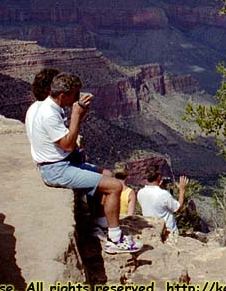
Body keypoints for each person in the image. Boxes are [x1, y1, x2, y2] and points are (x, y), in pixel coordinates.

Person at [25, 72, 142, 254]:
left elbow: (66, 138)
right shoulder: (49, 114)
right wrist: (76, 115)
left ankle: (100, 222)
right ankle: (115, 239)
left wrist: (81, 113)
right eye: (75, 95)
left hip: (61, 163)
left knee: (107, 175)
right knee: (114, 186)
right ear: (63, 95)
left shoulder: (43, 106)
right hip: (56, 169)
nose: (77, 98)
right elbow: (68, 144)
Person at [137, 164, 188, 235]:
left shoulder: (140, 192)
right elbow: (178, 208)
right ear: (158, 177)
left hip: (151, 229)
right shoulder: (163, 194)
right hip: (168, 231)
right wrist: (182, 190)